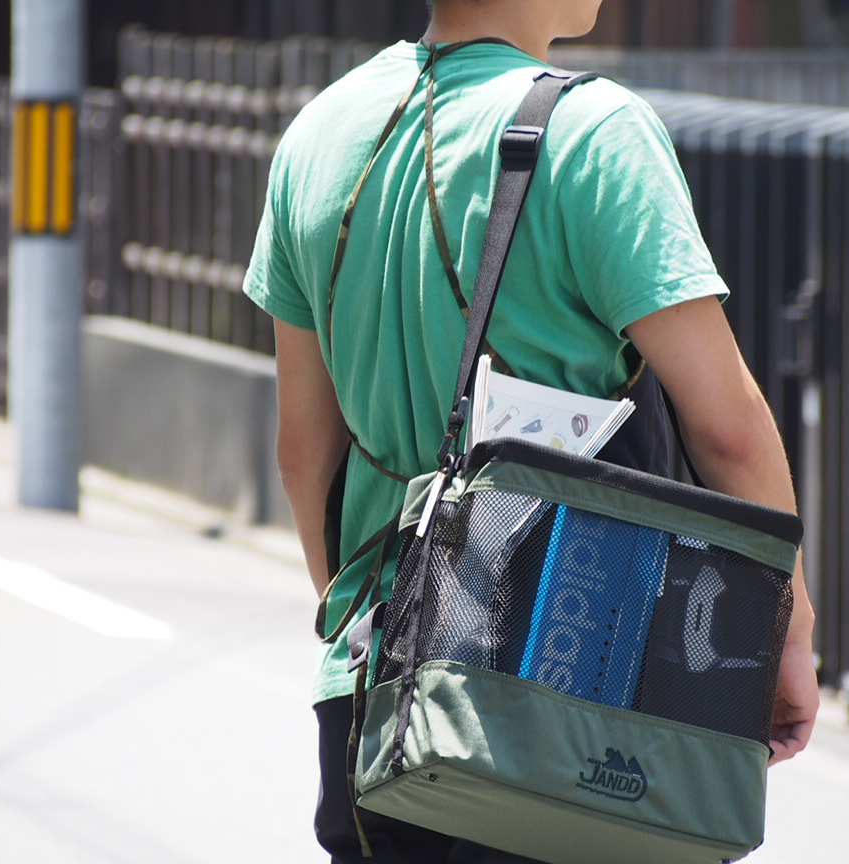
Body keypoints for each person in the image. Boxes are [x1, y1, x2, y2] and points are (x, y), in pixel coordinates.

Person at [244, 1, 819, 861]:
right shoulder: (595, 134)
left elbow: (303, 454)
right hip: (574, 698)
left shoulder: (317, 136)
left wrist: (381, 628)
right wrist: (787, 631)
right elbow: (727, 429)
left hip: (375, 706)